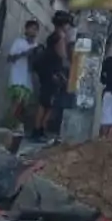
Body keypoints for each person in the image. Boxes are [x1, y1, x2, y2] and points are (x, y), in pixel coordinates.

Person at [30, 10, 71, 142]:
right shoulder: (59, 37)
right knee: (47, 103)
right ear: (64, 24)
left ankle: (40, 129)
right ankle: (38, 130)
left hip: (48, 72)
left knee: (46, 102)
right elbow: (62, 55)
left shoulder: (53, 35)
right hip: (52, 73)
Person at [4, 18, 39, 130]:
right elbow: (10, 58)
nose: (33, 31)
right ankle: (7, 125)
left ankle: (14, 126)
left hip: (27, 79)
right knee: (16, 102)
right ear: (26, 30)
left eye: (35, 29)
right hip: (17, 77)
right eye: (31, 29)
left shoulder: (36, 46)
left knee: (23, 105)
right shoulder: (19, 43)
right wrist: (24, 54)